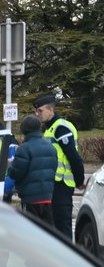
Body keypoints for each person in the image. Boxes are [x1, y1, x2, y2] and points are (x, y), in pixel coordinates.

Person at [33, 93, 84, 239]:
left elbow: (73, 157)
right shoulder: (50, 129)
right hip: (52, 185)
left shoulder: (60, 128)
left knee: (62, 227)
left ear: (50, 110)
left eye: (40, 111)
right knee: (54, 227)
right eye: (36, 111)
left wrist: (79, 180)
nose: (37, 114)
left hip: (61, 184)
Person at [7, 115, 58, 227]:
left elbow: (17, 173)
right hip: (48, 197)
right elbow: (53, 169)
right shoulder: (51, 147)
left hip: (30, 198)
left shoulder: (24, 149)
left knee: (32, 231)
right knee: (48, 232)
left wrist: (10, 165)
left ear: (24, 130)